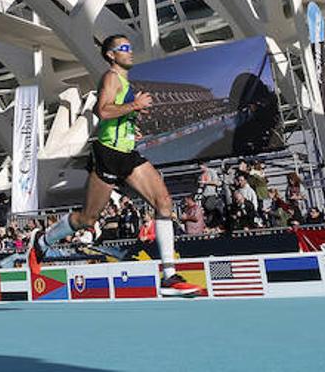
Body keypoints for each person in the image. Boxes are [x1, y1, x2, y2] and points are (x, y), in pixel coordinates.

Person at [28, 35, 199, 297]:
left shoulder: (125, 82)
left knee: (163, 202)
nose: (130, 52)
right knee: (88, 219)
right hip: (108, 154)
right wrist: (134, 105)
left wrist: (132, 123)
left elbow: (116, 116)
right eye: (124, 48)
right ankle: (43, 241)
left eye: (131, 47)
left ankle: (169, 277)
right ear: (110, 55)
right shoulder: (110, 77)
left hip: (128, 153)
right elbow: (103, 111)